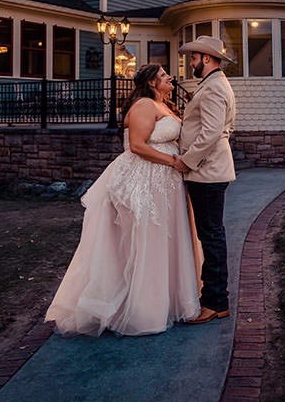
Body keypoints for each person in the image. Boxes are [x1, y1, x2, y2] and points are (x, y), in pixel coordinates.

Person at [45, 64, 201, 336]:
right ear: (153, 82)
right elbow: (139, 146)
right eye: (165, 76)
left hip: (166, 183)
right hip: (147, 178)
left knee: (167, 239)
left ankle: (169, 301)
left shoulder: (163, 105)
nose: (171, 79)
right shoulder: (143, 105)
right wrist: (173, 162)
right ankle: (143, 311)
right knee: (146, 240)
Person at [173, 35, 237, 325]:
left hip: (207, 173)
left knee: (211, 236)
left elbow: (210, 133)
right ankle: (215, 299)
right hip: (210, 170)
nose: (192, 62)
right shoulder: (214, 85)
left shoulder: (212, 88)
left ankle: (214, 302)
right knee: (212, 234)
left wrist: (185, 161)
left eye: (195, 58)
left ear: (207, 59)